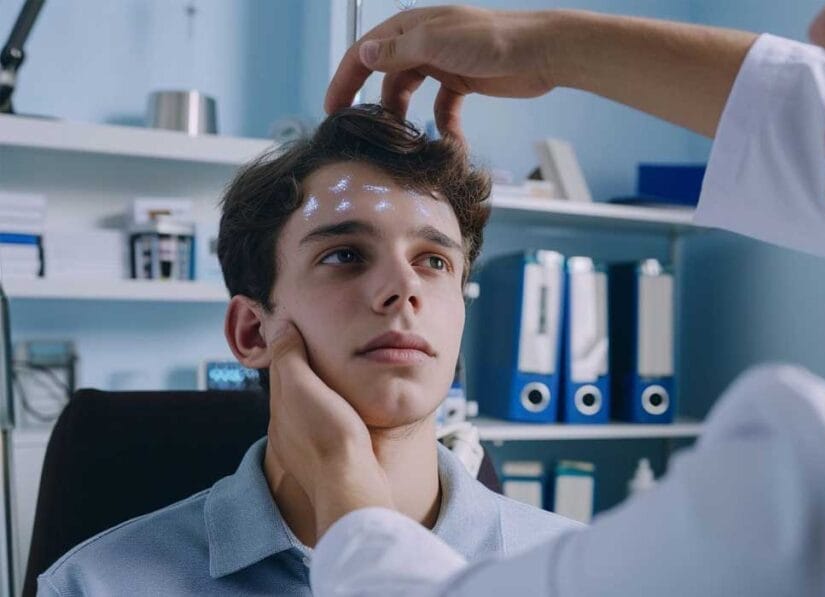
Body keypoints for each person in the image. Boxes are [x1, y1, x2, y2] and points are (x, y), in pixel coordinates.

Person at [264, 2, 825, 595]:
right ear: (249, 326)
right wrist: (541, 42)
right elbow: (805, 121)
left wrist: (343, 478)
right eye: (342, 254)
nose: (820, 31)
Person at [36, 106, 578, 597]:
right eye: (345, 254)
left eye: (434, 261)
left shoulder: (580, 572)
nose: (403, 287)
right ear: (253, 332)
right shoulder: (95, 585)